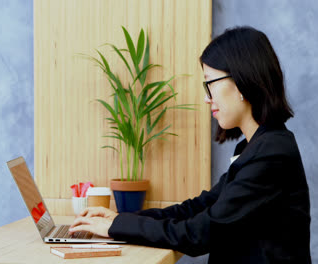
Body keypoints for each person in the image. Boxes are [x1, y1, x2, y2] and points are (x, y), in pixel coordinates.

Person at [69, 26, 311, 263]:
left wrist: (117, 226)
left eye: (210, 83)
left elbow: (199, 234)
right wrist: (120, 219)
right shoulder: (253, 148)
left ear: (242, 80)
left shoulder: (272, 153)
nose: (207, 98)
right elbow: (197, 208)